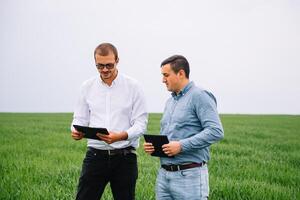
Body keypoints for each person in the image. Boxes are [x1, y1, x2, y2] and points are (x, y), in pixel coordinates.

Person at [71, 42, 148, 200]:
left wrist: (121, 136)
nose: (104, 70)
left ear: (117, 60)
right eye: (100, 66)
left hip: (125, 157)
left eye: (109, 65)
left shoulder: (134, 87)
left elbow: (141, 124)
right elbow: (79, 118)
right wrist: (75, 131)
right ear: (95, 63)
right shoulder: (87, 87)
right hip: (95, 156)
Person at [144, 55, 224, 200]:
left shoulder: (200, 96)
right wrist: (155, 148)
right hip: (164, 176)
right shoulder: (170, 102)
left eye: (166, 75)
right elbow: (171, 137)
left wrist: (181, 146)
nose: (163, 80)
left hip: (189, 177)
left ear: (181, 73)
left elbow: (216, 131)